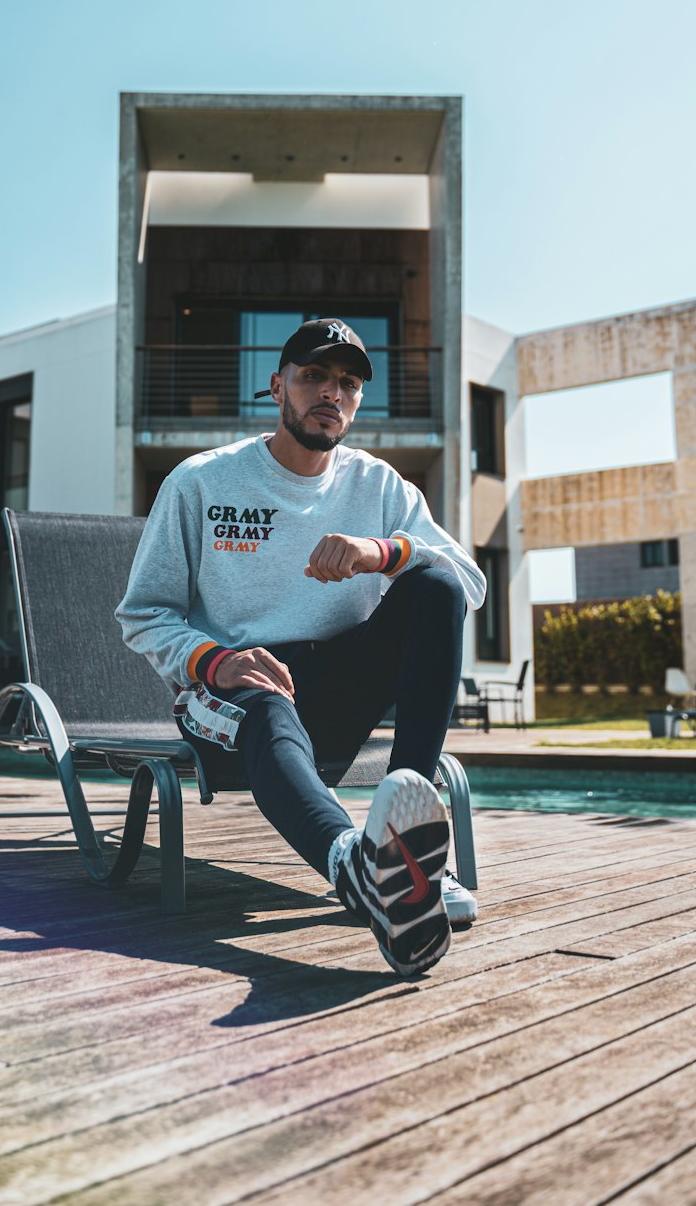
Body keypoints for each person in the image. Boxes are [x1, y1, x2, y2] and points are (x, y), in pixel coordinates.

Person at [116, 318, 486, 977]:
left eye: (347, 383)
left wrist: (383, 552)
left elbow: (469, 583)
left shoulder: (379, 487)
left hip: (335, 693)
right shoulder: (202, 483)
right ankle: (358, 866)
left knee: (432, 585)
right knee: (261, 695)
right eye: (313, 376)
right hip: (230, 692)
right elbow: (145, 614)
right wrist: (217, 661)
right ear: (277, 385)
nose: (330, 393)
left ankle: (400, 853)